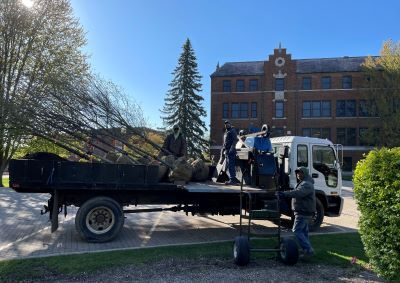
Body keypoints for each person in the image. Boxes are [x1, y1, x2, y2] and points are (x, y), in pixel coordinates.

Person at [278, 167, 316, 258]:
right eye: (297, 173)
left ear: (305, 174)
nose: (298, 174)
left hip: (303, 212)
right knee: (303, 232)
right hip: (304, 211)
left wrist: (284, 194)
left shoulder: (306, 184)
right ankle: (306, 250)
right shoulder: (304, 182)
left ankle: (309, 250)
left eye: (300, 173)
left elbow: (298, 193)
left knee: (297, 231)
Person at [222, 120, 239, 185]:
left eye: (228, 123)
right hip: (227, 150)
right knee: (229, 165)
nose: (226, 125)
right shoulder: (226, 132)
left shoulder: (232, 131)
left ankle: (232, 179)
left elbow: (235, 140)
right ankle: (232, 178)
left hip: (230, 151)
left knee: (231, 165)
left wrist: (232, 148)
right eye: (225, 124)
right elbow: (225, 142)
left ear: (230, 124)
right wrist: (223, 150)